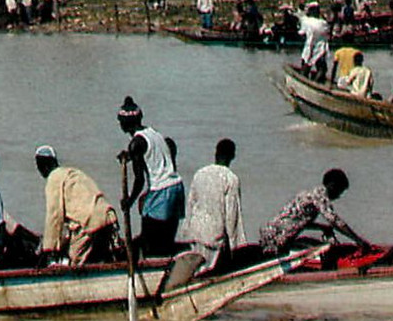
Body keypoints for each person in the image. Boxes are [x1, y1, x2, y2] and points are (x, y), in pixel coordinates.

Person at [117, 97, 185, 258]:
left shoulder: (135, 143)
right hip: (176, 186)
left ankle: (153, 269)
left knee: (150, 242)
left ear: (125, 123)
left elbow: (139, 180)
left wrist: (129, 201)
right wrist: (131, 156)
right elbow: (155, 153)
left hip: (160, 191)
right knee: (166, 239)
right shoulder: (153, 133)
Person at [35, 146, 117, 266]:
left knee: (75, 259)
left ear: (44, 166)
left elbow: (54, 216)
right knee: (102, 254)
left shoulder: (54, 178)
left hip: (88, 222)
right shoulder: (73, 173)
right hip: (107, 216)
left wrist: (48, 249)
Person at [256, 169, 369, 255]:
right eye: (340, 192)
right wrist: (358, 240)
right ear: (332, 186)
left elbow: (297, 221)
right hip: (277, 240)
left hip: (268, 234)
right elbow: (336, 222)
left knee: (309, 242)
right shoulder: (320, 197)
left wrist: (322, 227)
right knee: (323, 249)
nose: (339, 196)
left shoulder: (308, 194)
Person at [183, 138, 246, 273]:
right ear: (233, 156)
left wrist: (187, 231)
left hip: (195, 231)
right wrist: (235, 247)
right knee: (209, 270)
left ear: (216, 153)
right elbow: (232, 217)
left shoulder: (199, 174)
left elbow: (190, 205)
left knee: (195, 270)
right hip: (214, 235)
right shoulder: (231, 178)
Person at [297, 3, 330, 81]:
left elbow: (302, 33)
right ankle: (316, 81)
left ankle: (305, 81)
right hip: (321, 49)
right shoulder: (323, 23)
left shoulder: (306, 21)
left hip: (310, 47)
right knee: (322, 69)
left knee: (306, 65)